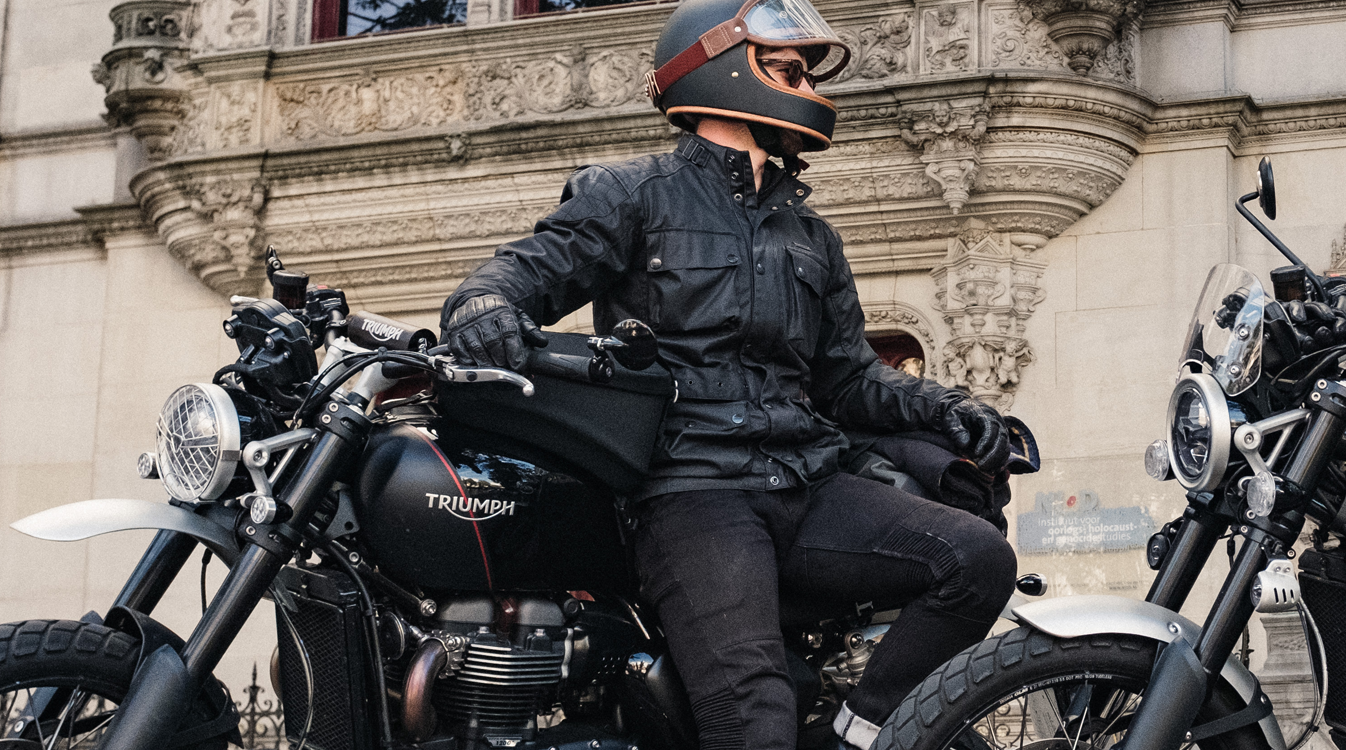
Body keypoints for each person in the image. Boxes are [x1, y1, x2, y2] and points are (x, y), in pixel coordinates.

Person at [437, 1, 1019, 748]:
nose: (805, 84)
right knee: (751, 718)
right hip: (692, 492)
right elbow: (519, 274)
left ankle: (859, 733)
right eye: (789, 68)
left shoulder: (810, 235)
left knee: (976, 559)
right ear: (722, 67)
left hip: (806, 483)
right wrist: (484, 304)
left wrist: (941, 405)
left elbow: (846, 381)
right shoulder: (633, 194)